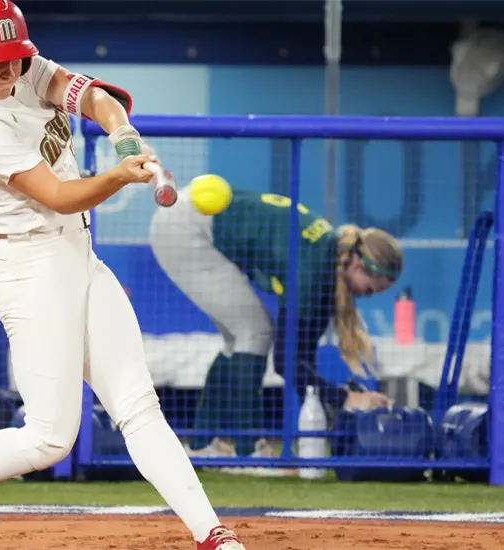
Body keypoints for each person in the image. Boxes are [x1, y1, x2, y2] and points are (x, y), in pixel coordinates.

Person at [0, 2, 246, 550]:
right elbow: (59, 197)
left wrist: (125, 138)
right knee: (48, 439)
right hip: (30, 270)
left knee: (137, 405)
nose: (9, 70)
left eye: (14, 57)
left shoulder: (21, 67)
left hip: (77, 256)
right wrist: (118, 176)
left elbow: (91, 97)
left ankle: (213, 535)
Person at [148, 179, 402, 473]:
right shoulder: (315, 271)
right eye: (368, 290)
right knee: (253, 332)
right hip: (187, 228)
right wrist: (346, 399)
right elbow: (287, 361)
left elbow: (300, 356)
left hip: (188, 215)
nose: (364, 297)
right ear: (358, 265)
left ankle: (204, 444)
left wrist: (339, 395)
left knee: (241, 336)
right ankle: (249, 455)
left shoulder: (327, 261)